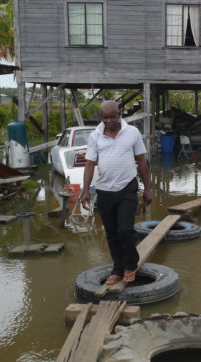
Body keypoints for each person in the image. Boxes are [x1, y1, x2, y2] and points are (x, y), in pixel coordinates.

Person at [81, 100, 152, 285]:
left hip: (127, 187)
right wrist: (85, 190)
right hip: (104, 191)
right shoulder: (95, 136)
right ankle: (117, 268)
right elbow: (89, 164)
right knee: (112, 233)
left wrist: (148, 189)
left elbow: (142, 161)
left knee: (126, 230)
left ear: (119, 115)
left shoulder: (132, 132)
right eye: (105, 117)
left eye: (112, 116)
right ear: (101, 118)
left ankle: (130, 265)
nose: (109, 120)